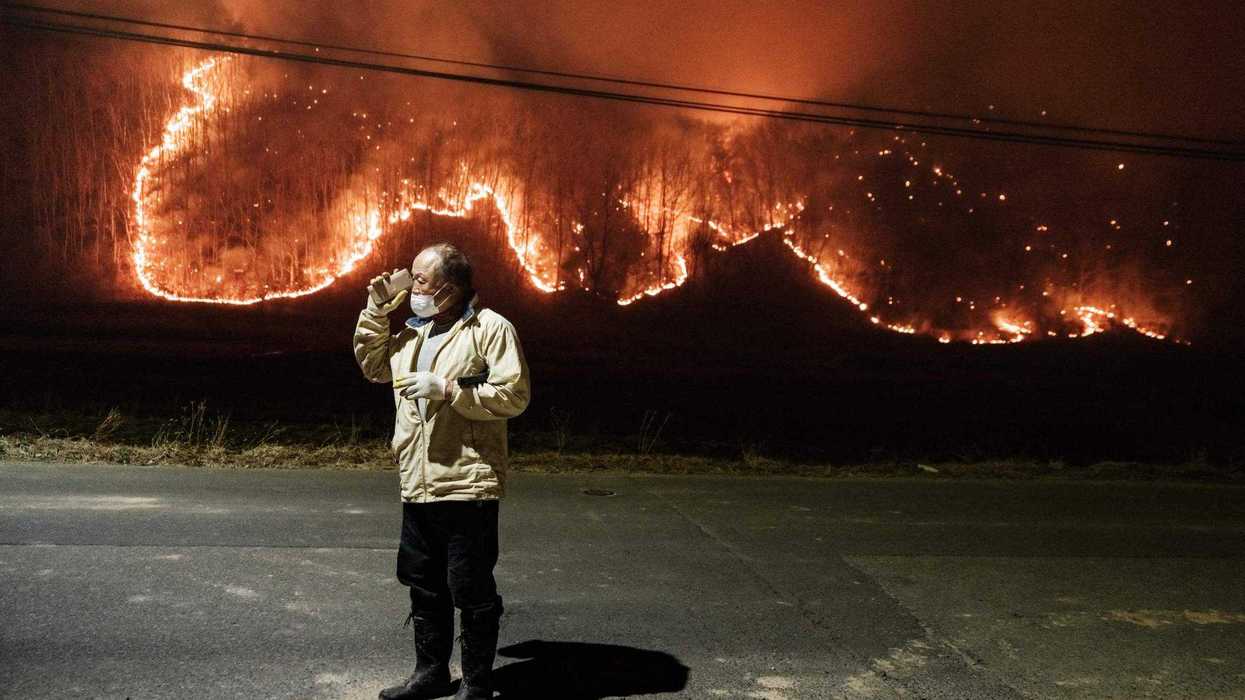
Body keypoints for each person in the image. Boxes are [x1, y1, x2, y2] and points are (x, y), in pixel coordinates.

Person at [354, 242, 531, 700]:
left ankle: (476, 683)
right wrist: (376, 309)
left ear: (449, 289)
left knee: (469, 587)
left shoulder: (490, 329)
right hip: (418, 482)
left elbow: (514, 395)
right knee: (423, 584)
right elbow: (373, 366)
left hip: (467, 481)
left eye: (420, 280)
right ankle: (429, 674)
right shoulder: (414, 334)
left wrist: (450, 389)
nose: (412, 287)